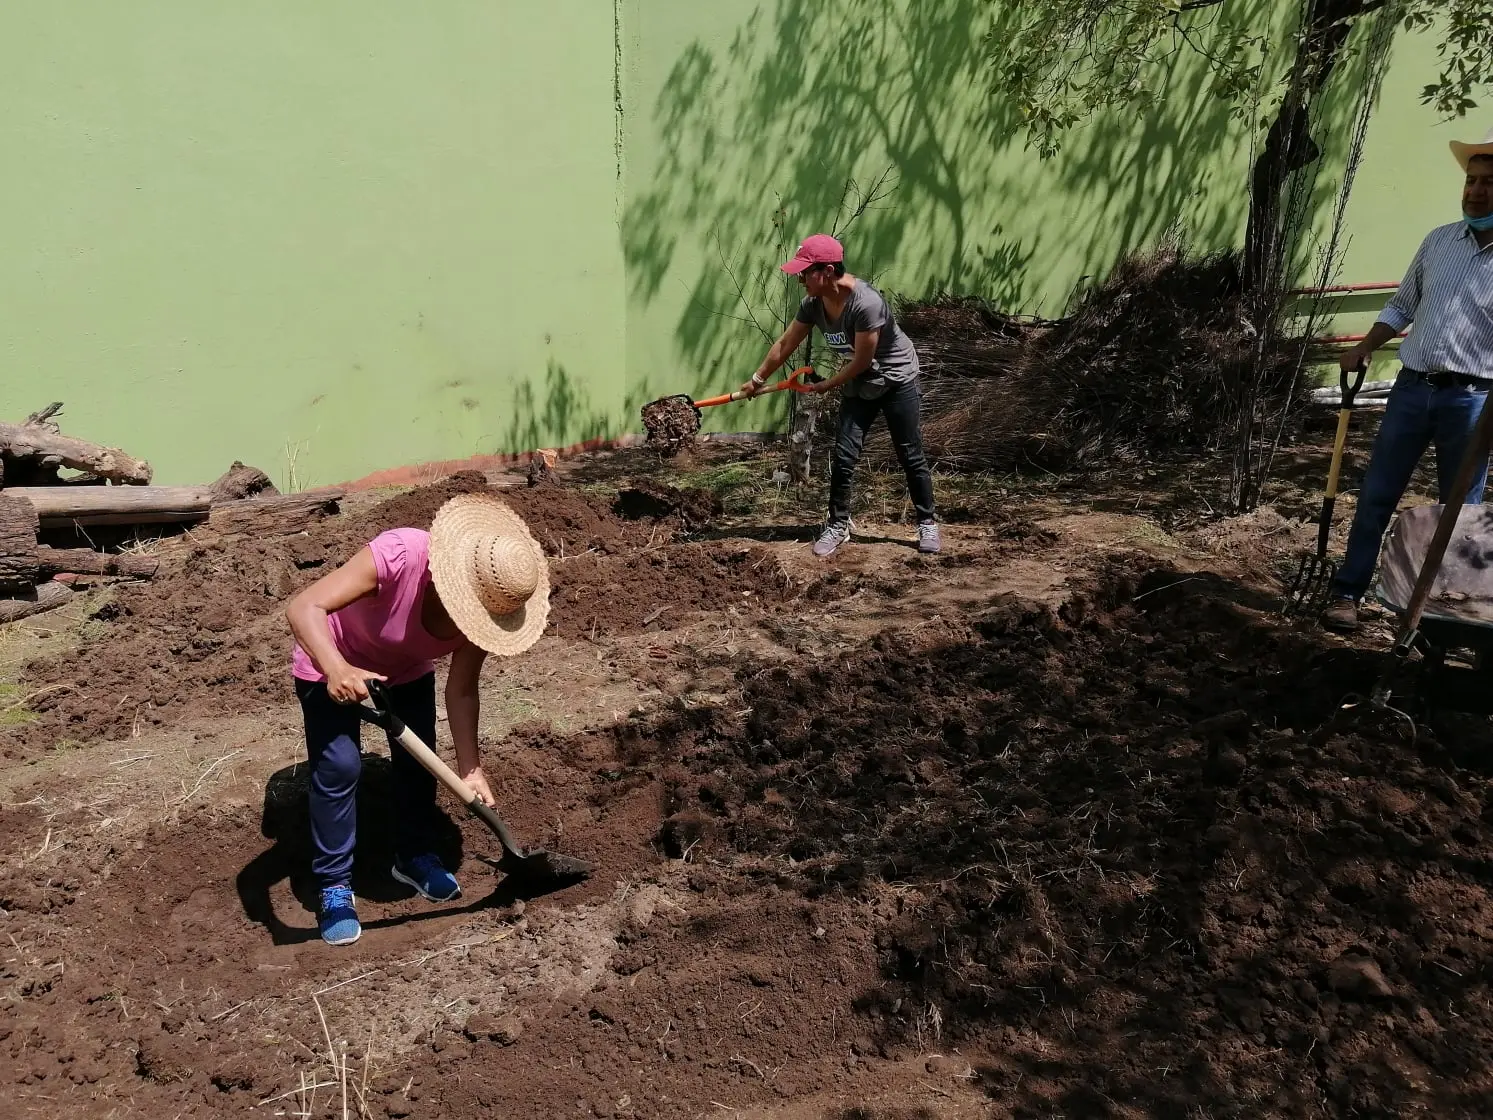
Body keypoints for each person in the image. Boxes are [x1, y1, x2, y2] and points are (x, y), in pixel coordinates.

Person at [285, 493, 550, 945]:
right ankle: (334, 885)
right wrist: (337, 669)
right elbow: (303, 607)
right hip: (330, 659)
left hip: (404, 673)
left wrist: (471, 767)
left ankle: (412, 855)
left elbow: (463, 688)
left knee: (419, 761)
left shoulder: (489, 611)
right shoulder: (400, 554)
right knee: (340, 768)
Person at [1321, 127, 1493, 633]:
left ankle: (1439, 617)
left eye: (1488, 183)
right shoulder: (1439, 241)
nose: (1475, 191)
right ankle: (1347, 592)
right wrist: (1365, 344)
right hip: (1413, 390)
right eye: (1471, 181)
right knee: (1377, 493)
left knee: (1460, 514)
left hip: (1475, 400)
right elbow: (1402, 304)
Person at [740, 233, 940, 557]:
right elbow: (784, 344)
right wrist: (757, 378)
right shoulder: (813, 304)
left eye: (806, 272)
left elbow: (861, 361)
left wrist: (824, 385)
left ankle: (927, 522)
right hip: (861, 382)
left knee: (909, 454)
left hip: (897, 379)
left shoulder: (866, 304)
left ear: (828, 271)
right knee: (844, 455)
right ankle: (838, 525)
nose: (800, 278)